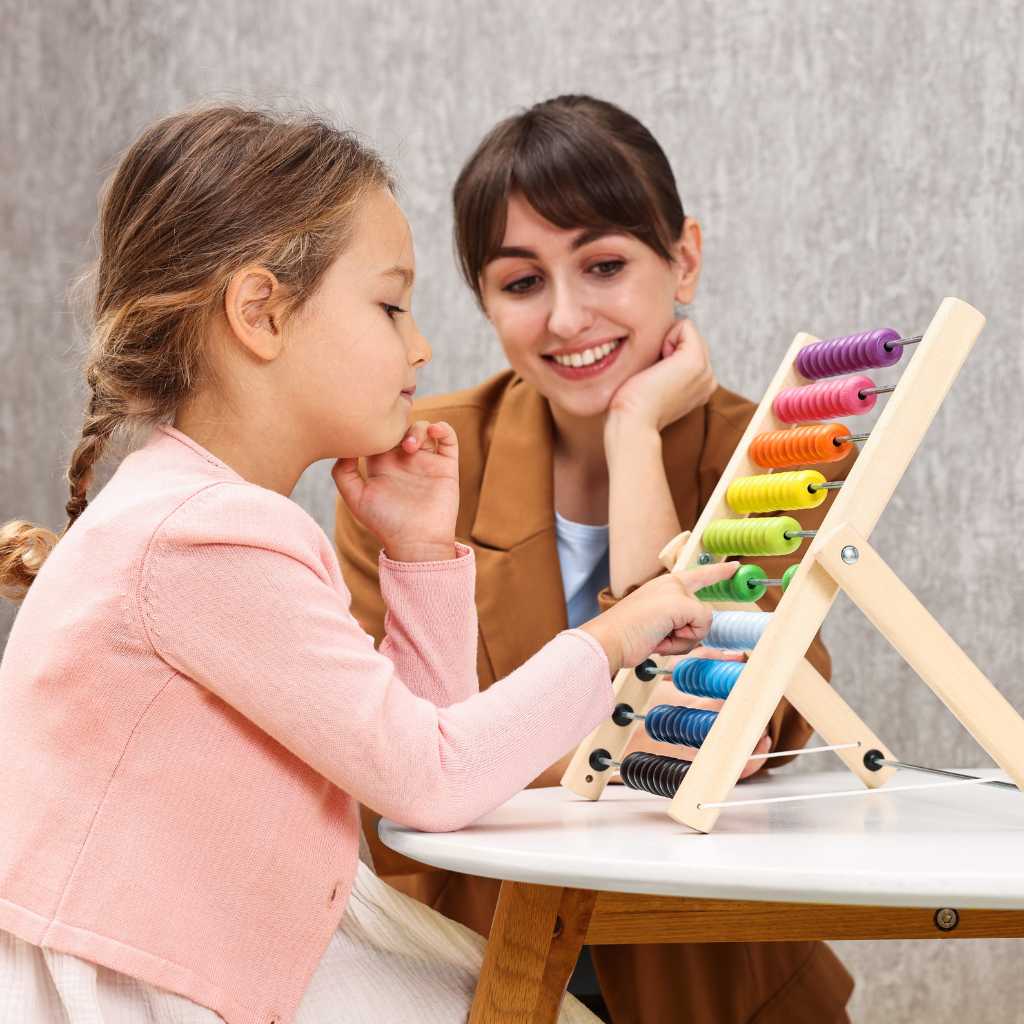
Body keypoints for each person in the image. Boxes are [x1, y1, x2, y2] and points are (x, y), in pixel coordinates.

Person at [0, 104, 740, 1024]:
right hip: (147, 982)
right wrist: (618, 631)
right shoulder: (203, 535)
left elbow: (420, 754)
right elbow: (433, 778)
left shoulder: (203, 515)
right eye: (391, 304)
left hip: (214, 949)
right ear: (261, 313)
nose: (420, 345)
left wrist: (422, 555)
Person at [335, 94, 856, 1024]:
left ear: (683, 257)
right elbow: (393, 769)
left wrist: (633, 433)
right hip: (485, 967)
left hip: (714, 978)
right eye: (521, 281)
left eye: (604, 265)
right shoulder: (413, 461)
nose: (567, 318)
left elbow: (705, 726)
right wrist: (580, 756)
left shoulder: (779, 453)